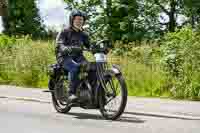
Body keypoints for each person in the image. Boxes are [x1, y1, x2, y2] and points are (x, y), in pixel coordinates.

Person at [55, 9, 90, 102]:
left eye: (81, 20)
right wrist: (65, 48)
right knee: (74, 67)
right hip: (64, 57)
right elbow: (60, 44)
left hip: (78, 56)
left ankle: (88, 91)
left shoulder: (83, 34)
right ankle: (71, 93)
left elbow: (90, 45)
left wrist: (100, 48)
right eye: (77, 19)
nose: (79, 22)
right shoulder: (65, 31)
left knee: (90, 67)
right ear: (72, 20)